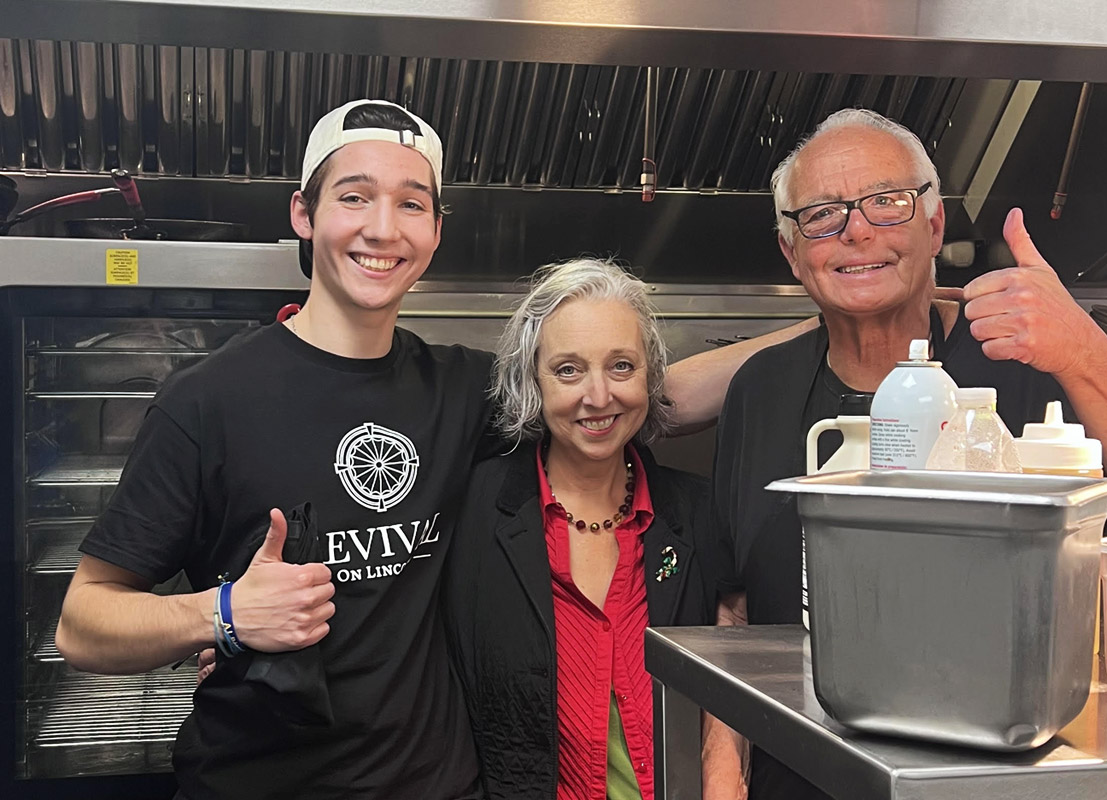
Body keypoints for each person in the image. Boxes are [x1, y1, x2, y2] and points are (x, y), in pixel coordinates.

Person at [54, 99, 810, 799]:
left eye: (411, 203)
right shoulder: (206, 402)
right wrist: (219, 613)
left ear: (435, 229)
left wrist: (831, 324)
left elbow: (633, 397)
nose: (384, 229)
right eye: (354, 196)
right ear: (304, 214)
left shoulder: (459, 388)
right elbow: (82, 624)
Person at [709, 107, 1107, 799]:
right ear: (792, 253)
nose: (857, 230)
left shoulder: (1027, 362)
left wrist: (1083, 350)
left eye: (886, 202)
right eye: (823, 215)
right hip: (798, 775)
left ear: (934, 225)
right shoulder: (760, 391)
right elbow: (736, 609)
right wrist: (723, 776)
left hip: (1003, 779)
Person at [442, 258, 738, 800]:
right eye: (568, 370)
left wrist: (722, 754)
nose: (598, 397)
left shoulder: (695, 512)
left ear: (651, 374)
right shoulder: (474, 512)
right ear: (533, 379)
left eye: (622, 366)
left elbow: (732, 643)